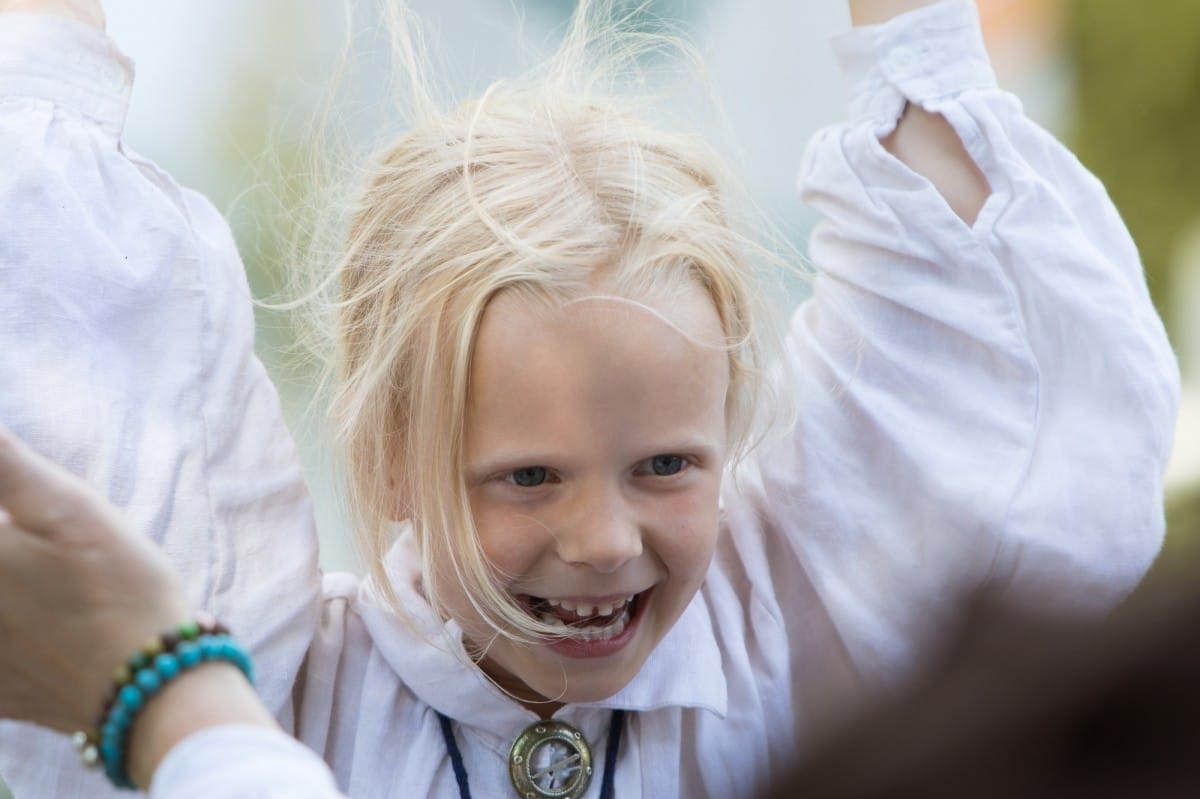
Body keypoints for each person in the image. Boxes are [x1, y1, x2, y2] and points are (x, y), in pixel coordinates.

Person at [0, 0, 1179, 796]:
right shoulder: (279, 683)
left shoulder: (794, 634)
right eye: (528, 475)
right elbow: (67, 316)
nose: (605, 540)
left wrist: (911, 39)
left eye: (667, 465)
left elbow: (972, 343)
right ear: (397, 454)